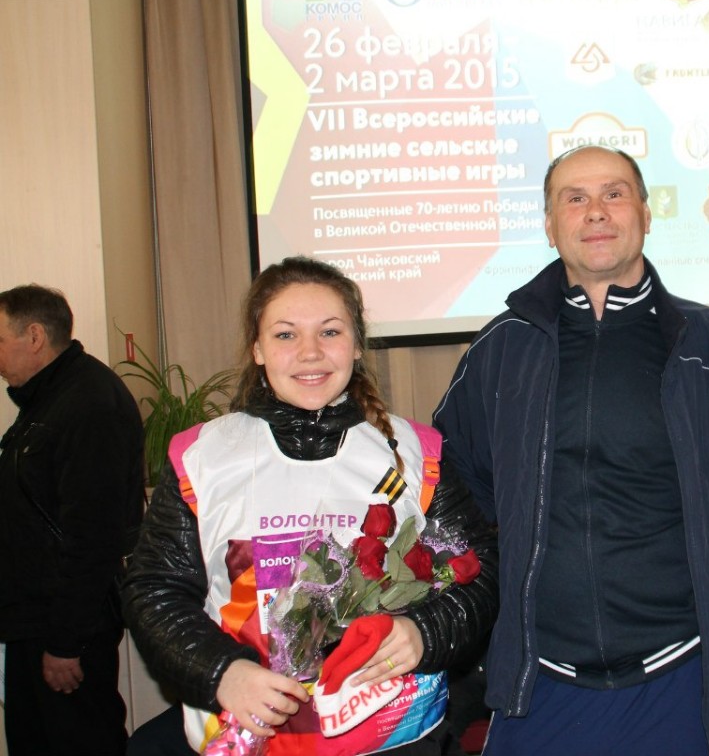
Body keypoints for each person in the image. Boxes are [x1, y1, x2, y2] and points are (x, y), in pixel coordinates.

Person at [433, 145, 709, 755]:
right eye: (575, 198)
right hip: (539, 686)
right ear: (549, 225)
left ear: (645, 212)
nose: (596, 211)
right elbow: (451, 507)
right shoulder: (499, 352)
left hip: (685, 677)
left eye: (614, 194)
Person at [121, 257, 499, 755]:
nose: (310, 353)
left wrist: (424, 632)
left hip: (394, 737)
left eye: (330, 332)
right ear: (257, 349)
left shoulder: (414, 452)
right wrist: (222, 672)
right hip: (252, 737)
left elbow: (480, 575)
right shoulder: (201, 458)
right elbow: (154, 590)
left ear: (356, 344)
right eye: (285, 335)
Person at [0, 284, 144, 756]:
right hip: (32, 623)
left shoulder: (88, 404)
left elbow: (91, 537)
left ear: (34, 336)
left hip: (63, 631)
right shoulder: (48, 399)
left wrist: (66, 643)